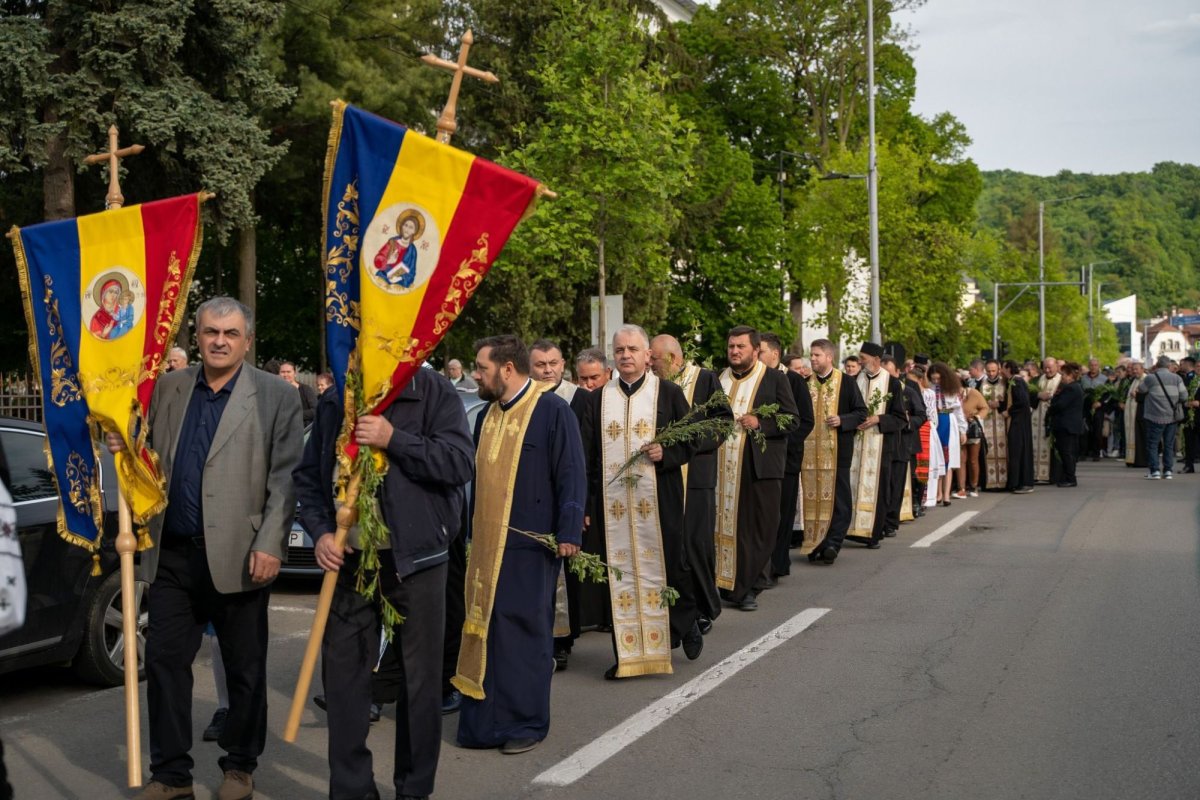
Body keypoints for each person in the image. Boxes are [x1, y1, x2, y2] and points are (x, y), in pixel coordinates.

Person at [108, 297, 303, 800]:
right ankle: (171, 774)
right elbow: (145, 454)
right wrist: (123, 444)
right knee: (166, 663)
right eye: (211, 332)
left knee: (244, 668)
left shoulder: (275, 395)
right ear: (198, 335)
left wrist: (272, 542)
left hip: (242, 555)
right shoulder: (171, 387)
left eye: (231, 334)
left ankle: (239, 766)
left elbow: (285, 477)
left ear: (247, 340)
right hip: (171, 554)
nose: (220, 341)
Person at [294, 355, 473, 800]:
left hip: (419, 560)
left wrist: (395, 439)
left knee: (420, 681)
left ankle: (413, 789)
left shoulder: (434, 391)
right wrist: (320, 533)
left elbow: (458, 464)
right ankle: (352, 789)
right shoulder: (338, 399)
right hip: (350, 563)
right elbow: (309, 479)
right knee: (343, 681)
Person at [452, 335, 586, 755]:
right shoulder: (484, 416)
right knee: (488, 628)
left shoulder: (552, 411)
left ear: (507, 369)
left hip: (532, 544)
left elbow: (571, 471)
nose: (476, 374)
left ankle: (526, 722)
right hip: (487, 545)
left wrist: (569, 532)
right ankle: (484, 723)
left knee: (524, 633)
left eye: (481, 367)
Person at [579, 325, 698, 678]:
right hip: (612, 507)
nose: (626, 355)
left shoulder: (670, 393)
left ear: (648, 355)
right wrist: (585, 505)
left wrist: (669, 451)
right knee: (620, 577)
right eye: (619, 350)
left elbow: (691, 439)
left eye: (632, 349)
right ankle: (628, 655)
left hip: (660, 499)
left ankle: (685, 622)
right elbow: (586, 455)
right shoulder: (598, 399)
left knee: (670, 567)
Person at [714, 326, 801, 608]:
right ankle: (723, 582)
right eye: (731, 347)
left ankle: (750, 586)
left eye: (740, 346)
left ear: (755, 350)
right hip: (722, 468)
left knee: (757, 528)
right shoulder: (718, 378)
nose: (735, 351)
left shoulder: (774, 378)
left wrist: (761, 423)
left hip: (759, 468)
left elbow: (792, 419)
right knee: (723, 525)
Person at [649, 334, 728, 634]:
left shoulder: (705, 379)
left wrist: (692, 442)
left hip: (696, 477)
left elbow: (723, 421)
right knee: (673, 546)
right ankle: (682, 610)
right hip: (667, 477)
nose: (651, 364)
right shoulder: (655, 386)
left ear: (672, 358)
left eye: (654, 359)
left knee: (696, 544)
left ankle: (706, 606)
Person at [528, 338, 592, 670]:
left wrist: (581, 505)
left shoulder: (579, 398)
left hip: (567, 495)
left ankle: (563, 640)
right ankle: (541, 636)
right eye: (541, 365)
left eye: (553, 363)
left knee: (567, 570)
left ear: (563, 365)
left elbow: (586, 457)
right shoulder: (525, 399)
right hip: (536, 499)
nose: (548, 370)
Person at [801, 339, 867, 565]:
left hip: (837, 451)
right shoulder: (805, 382)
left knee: (838, 499)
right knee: (814, 498)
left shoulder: (846, 382)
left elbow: (861, 413)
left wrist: (842, 419)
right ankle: (815, 543)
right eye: (812, 354)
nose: (812, 358)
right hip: (808, 454)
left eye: (817, 355)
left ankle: (832, 542)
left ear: (829, 357)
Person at [756, 333, 816, 576]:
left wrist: (781, 442)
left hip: (786, 458)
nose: (756, 356)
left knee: (782, 514)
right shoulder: (754, 380)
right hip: (758, 458)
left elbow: (805, 421)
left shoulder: (793, 380)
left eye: (760, 351)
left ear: (775, 354)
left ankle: (778, 565)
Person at [846, 342, 906, 548]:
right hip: (855, 443)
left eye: (864, 358)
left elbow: (900, 418)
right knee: (850, 485)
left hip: (880, 446)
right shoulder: (853, 380)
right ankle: (849, 529)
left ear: (877, 360)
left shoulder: (893, 384)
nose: (860, 362)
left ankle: (872, 534)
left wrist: (878, 419)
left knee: (877, 490)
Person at [1137, 355, 1187, 480]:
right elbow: (1184, 396)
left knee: (1153, 444)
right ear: (1169, 366)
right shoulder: (1177, 378)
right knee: (1169, 445)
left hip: (1154, 416)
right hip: (1172, 416)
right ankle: (1168, 471)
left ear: (1157, 365)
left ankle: (1155, 471)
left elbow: (1141, 390)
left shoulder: (1150, 378)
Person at [929, 363, 967, 506]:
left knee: (948, 458)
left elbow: (958, 411)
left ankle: (946, 494)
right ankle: (938, 493)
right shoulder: (930, 389)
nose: (936, 382)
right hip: (936, 421)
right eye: (934, 379)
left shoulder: (951, 390)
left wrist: (963, 430)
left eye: (938, 379)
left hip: (948, 420)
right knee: (937, 457)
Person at [1049, 361, 1085, 487]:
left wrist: (1051, 406)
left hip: (1067, 425)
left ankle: (1070, 478)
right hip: (1068, 425)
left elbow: (1060, 405)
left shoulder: (1071, 388)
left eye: (1063, 375)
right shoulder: (1073, 387)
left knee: (1067, 452)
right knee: (1067, 452)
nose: (1062, 377)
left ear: (1070, 376)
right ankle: (1067, 476)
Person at [1002, 360, 1035, 493]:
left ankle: (1021, 482)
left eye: (1003, 368)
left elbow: (1022, 401)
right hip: (1018, 421)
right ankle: (1017, 482)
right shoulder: (1013, 381)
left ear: (1008, 368)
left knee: (1018, 452)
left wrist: (1008, 411)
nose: (1001, 371)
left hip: (1018, 423)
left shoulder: (1017, 382)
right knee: (1017, 452)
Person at [1030, 358, 1062, 484]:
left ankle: (1051, 476)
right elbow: (1029, 394)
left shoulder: (1061, 380)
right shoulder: (1037, 380)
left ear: (1056, 366)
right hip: (1036, 418)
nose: (1047, 370)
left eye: (1050, 367)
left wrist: (1051, 396)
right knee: (1035, 445)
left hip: (1053, 417)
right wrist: (1038, 395)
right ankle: (1035, 474)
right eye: (1045, 368)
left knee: (1051, 446)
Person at [979, 359, 1008, 491]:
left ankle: (1004, 482)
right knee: (988, 451)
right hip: (987, 423)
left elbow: (1010, 402)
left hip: (1003, 421)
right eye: (988, 371)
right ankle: (989, 483)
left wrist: (1000, 405)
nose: (991, 374)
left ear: (999, 369)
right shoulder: (981, 384)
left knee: (1004, 450)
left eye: (993, 370)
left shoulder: (1005, 383)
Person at [958, 379, 988, 497]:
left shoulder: (974, 393)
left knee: (973, 459)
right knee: (961, 459)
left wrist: (976, 417)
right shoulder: (951, 395)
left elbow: (985, 407)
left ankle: (974, 486)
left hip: (973, 429)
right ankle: (961, 488)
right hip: (960, 429)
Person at [279, 360, 319, 425]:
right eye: (283, 372)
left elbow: (316, 410)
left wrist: (294, 415)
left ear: (295, 373)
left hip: (304, 430)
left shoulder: (306, 390)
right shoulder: (276, 391)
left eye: (288, 372)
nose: (285, 374)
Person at [1124, 361, 1147, 469]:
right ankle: (1131, 459)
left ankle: (1140, 461)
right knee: (1132, 436)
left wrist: (1138, 395)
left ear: (1142, 369)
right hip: (1131, 414)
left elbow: (1149, 395)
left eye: (1137, 369)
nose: (1134, 371)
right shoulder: (1135, 380)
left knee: (1140, 437)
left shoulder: (1146, 379)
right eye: (1133, 369)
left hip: (1141, 413)